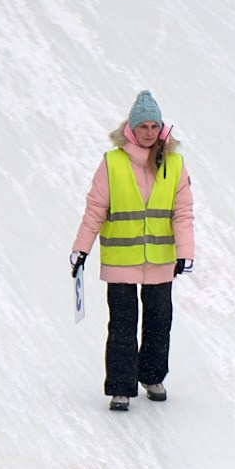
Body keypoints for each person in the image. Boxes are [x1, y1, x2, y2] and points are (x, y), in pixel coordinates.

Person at [72, 91, 196, 411]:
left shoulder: (174, 163)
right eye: (144, 126)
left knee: (159, 320)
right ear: (131, 128)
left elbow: (182, 212)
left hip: (159, 258)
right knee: (123, 323)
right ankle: (121, 386)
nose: (150, 132)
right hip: (121, 258)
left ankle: (152, 376)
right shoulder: (112, 163)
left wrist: (185, 251)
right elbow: (95, 209)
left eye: (155, 125)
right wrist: (81, 249)